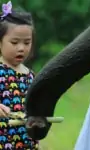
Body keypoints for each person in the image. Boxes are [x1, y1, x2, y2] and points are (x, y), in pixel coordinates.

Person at [0, 1, 39, 149]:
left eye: (27, 43)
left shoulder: (31, 76)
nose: (21, 48)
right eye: (14, 42)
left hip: (27, 143)